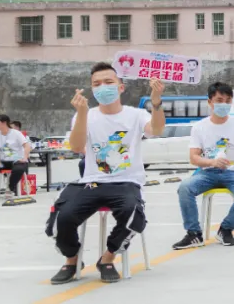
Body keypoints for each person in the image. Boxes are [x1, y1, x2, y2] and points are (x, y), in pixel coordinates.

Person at [49, 64, 165, 285]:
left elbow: (157, 130)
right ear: (92, 90)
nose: (103, 87)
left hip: (126, 182)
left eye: (109, 82)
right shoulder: (86, 115)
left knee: (133, 214)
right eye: (97, 84)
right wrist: (81, 114)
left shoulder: (136, 115)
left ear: (121, 87)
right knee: (61, 216)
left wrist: (156, 102)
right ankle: (72, 259)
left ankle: (108, 258)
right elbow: (76, 147)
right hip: (93, 182)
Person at [172, 82, 234, 249]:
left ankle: (226, 229)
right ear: (209, 102)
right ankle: (193, 233)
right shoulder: (199, 127)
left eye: (228, 101)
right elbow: (194, 158)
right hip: (208, 172)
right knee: (185, 188)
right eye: (219, 100)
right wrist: (212, 162)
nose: (224, 104)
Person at [0, 114, 32, 199]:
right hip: (2, 162)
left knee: (18, 170)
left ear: (4, 123)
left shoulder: (16, 133)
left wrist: (25, 157)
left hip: (17, 160)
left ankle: (10, 189)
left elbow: (27, 146)